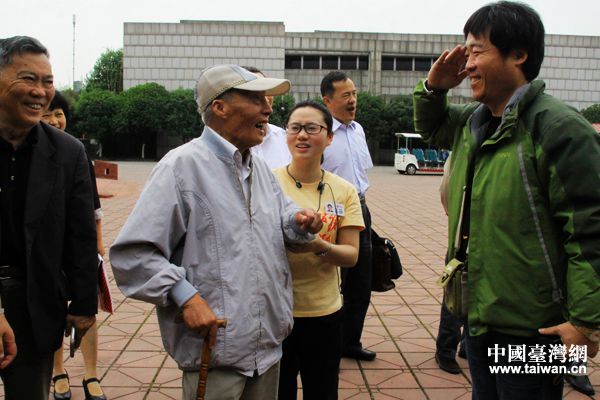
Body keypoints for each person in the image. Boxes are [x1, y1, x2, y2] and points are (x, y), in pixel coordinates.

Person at [413, 2, 600, 399]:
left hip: (538, 329)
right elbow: (431, 129)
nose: (467, 64)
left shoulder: (559, 128)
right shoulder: (474, 122)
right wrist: (434, 89)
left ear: (519, 55)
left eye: (477, 50)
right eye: (466, 51)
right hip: (479, 315)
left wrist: (585, 323)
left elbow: (590, 230)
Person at [109, 64, 323, 400]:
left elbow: (283, 219)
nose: (268, 108)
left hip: (268, 349)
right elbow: (133, 255)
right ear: (220, 107)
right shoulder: (180, 168)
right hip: (214, 351)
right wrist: (186, 296)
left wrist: (299, 222)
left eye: (267, 99)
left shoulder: (261, 170)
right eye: (255, 99)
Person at [0, 36, 97, 400]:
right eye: (28, 79)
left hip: (35, 299)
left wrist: (85, 304)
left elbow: (81, 233)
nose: (40, 92)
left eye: (48, 81)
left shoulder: (68, 152)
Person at [274, 101, 364, 399]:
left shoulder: (345, 190)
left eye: (312, 128)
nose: (302, 135)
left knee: (322, 391)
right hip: (276, 312)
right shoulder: (266, 182)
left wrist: (317, 246)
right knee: (278, 392)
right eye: (295, 127)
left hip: (324, 313)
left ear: (328, 138)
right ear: (286, 134)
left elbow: (351, 256)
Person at [41, 91, 108, 400]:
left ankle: (91, 374)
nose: (55, 120)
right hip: (47, 249)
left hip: (80, 248)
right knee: (53, 309)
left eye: (59, 113)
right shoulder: (32, 153)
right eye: (47, 114)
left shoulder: (77, 151)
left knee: (87, 308)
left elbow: (92, 205)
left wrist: (99, 240)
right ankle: (58, 372)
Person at [320, 70, 375, 361]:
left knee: (360, 281)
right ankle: (325, 342)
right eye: (346, 95)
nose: (352, 100)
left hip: (359, 208)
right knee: (326, 279)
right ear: (327, 100)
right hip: (329, 211)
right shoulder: (320, 133)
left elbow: (360, 174)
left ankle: (350, 342)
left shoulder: (358, 130)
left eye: (354, 94)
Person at [434, 154, 466, 375]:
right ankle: (445, 350)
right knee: (453, 296)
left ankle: (466, 347)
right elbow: (446, 190)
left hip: (464, 240)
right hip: (463, 242)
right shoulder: (462, 152)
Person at [245, 66, 291, 169]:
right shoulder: (227, 144)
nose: (265, 99)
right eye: (256, 95)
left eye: (267, 91)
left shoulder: (285, 138)